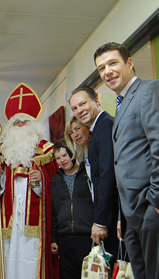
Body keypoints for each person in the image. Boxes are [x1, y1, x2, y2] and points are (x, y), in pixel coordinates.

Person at [94, 42, 159, 279]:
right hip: (131, 213)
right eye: (101, 68)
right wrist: (123, 216)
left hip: (149, 208)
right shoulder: (120, 105)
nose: (107, 72)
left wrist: (155, 203)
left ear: (129, 63)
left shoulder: (149, 90)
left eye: (113, 63)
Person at [0, 85, 58, 279]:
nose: (19, 125)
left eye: (24, 121)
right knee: (9, 256)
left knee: (31, 256)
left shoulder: (47, 151)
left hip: (34, 218)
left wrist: (40, 181)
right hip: (9, 220)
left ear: (33, 124)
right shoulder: (1, 152)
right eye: (15, 122)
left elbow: (54, 187)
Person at [69, 86, 118, 263]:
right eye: (74, 108)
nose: (79, 111)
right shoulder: (96, 129)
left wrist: (101, 221)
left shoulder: (105, 125)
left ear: (96, 100)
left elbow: (107, 175)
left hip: (112, 217)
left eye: (83, 104)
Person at [51, 140, 93, 278]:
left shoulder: (87, 174)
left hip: (88, 238)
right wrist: (53, 238)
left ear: (72, 153)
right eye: (58, 158)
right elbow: (54, 211)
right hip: (65, 240)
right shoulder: (56, 180)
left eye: (65, 155)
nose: (62, 160)